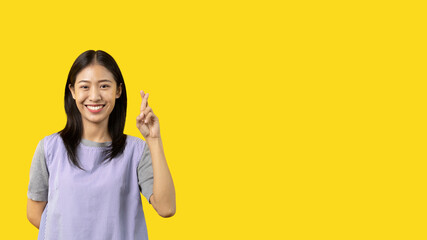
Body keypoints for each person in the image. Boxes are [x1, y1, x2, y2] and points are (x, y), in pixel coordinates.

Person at [26, 50, 176, 240]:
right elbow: (34, 212)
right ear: (72, 91)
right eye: (85, 87)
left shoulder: (135, 151)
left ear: (118, 91)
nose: (95, 96)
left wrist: (154, 140)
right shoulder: (50, 148)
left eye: (104, 86)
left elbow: (167, 208)